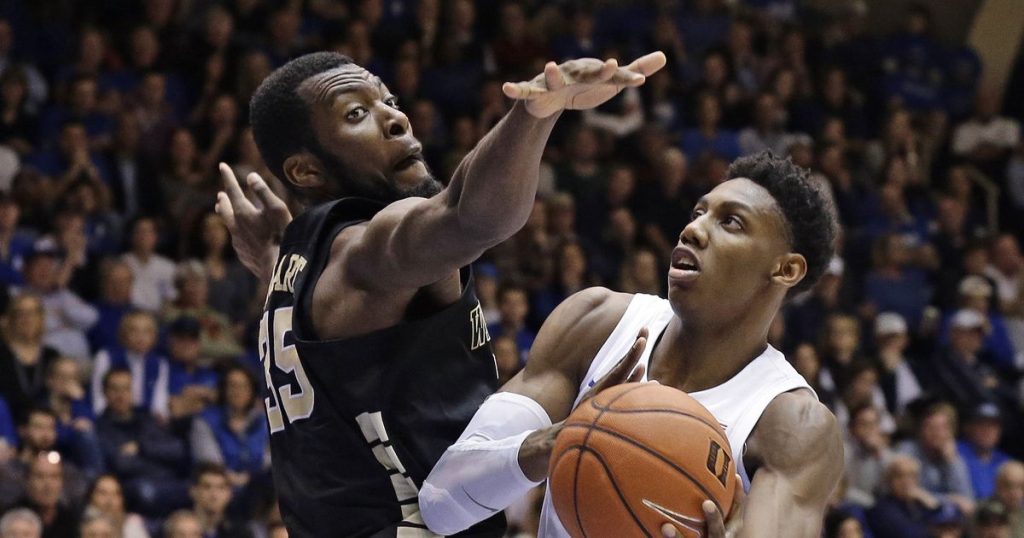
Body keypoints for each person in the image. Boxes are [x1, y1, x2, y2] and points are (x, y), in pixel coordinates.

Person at [215, 50, 666, 537]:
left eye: (389, 101)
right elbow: (470, 215)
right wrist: (535, 112)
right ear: (305, 172)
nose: (395, 119)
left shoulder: (302, 273)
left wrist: (272, 258)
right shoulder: (367, 254)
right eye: (356, 113)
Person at [418, 152, 843, 537]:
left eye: (730, 222)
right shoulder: (595, 323)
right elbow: (439, 503)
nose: (693, 230)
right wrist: (558, 441)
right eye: (698, 213)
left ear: (786, 269)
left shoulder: (792, 424)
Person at [82, 474, 149, 538]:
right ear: (91, 497)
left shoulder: (132, 524)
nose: (109, 500)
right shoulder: (79, 522)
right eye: (103, 493)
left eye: (115, 494)